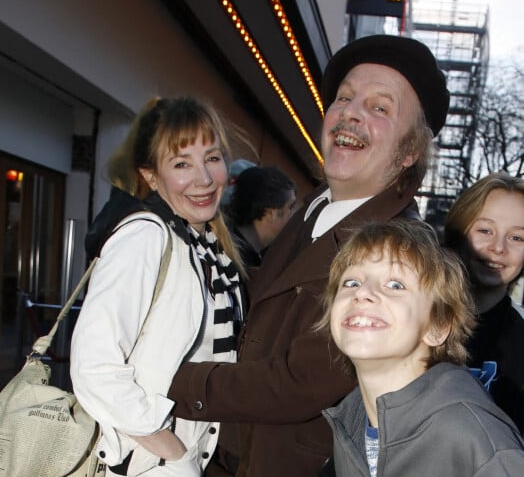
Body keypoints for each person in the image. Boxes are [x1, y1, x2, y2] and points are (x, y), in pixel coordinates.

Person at [167, 34, 451, 476]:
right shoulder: (318, 206)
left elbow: (298, 383)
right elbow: (276, 295)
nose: (351, 113)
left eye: (380, 108)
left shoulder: (402, 249)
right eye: (344, 98)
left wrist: (167, 379)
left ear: (411, 151)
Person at [70, 96, 245, 476]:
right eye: (182, 163)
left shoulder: (205, 247)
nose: (203, 178)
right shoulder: (146, 238)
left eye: (212, 158)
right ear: (151, 176)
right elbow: (94, 365)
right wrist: (170, 448)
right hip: (145, 462)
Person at [317, 220, 524, 477]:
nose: (363, 293)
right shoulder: (351, 418)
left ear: (438, 327)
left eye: (395, 285)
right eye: (351, 283)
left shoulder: (473, 437)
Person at [444, 172, 524, 434]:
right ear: (459, 232)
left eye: (517, 237)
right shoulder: (413, 315)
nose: (498, 247)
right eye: (485, 230)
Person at [225, 165, 296, 270]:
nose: (293, 215)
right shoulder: (232, 259)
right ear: (270, 213)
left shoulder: (256, 259)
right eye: (291, 207)